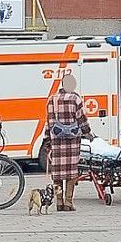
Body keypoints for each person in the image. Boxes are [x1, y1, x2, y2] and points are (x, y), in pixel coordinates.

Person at [42, 74, 92, 212]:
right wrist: (88, 132)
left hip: (56, 139)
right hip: (72, 140)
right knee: (71, 172)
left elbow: (49, 121)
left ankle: (59, 202)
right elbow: (81, 118)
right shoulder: (75, 99)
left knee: (57, 174)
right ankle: (68, 202)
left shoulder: (52, 99)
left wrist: (47, 138)